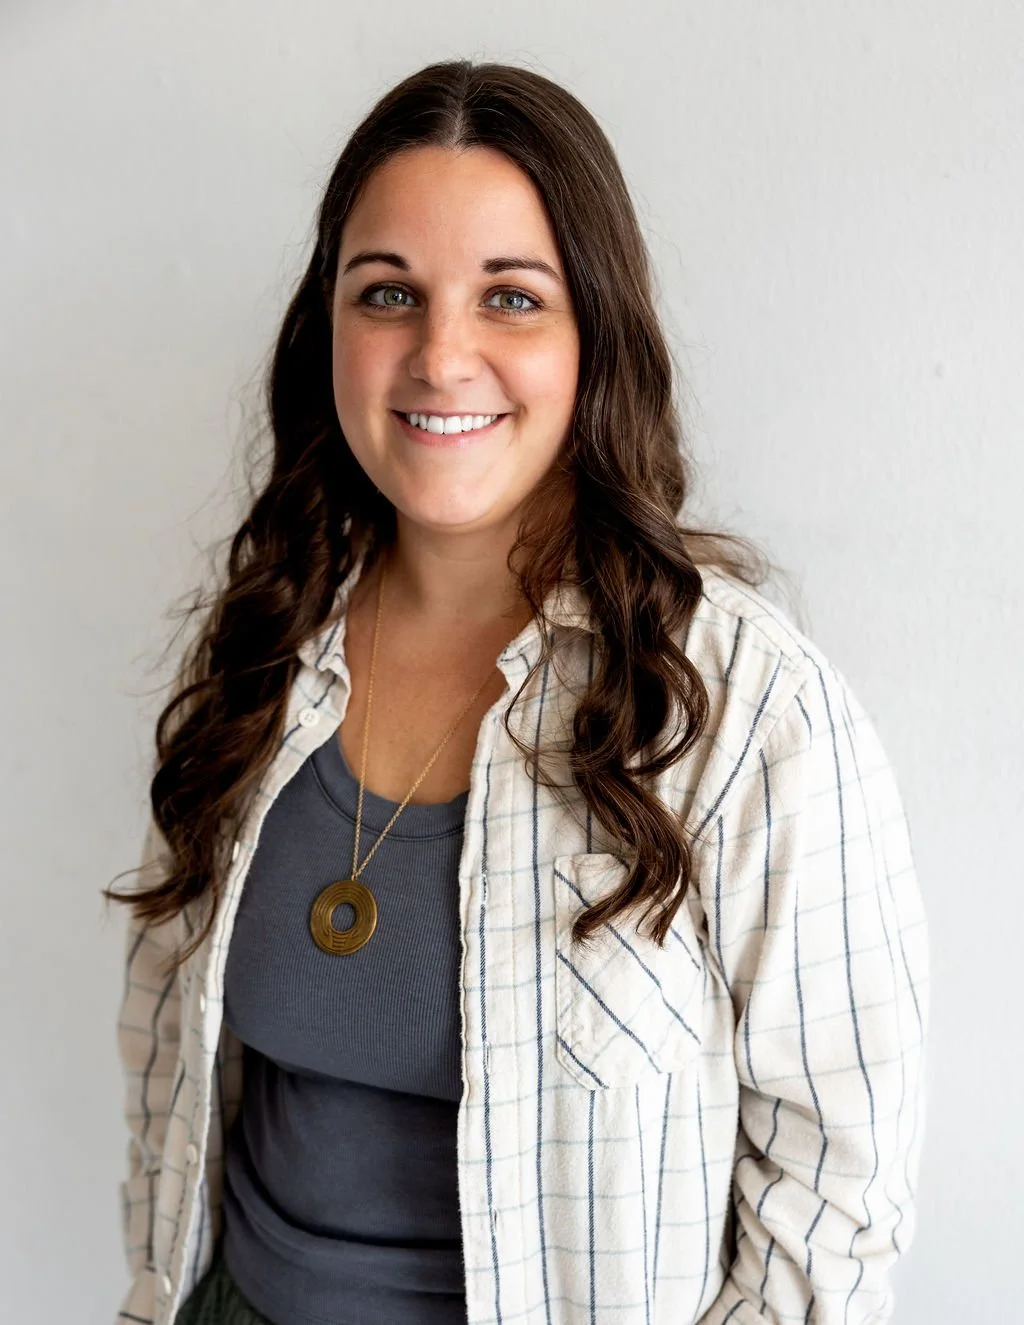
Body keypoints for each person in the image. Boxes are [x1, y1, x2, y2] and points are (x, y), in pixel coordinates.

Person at [106, 59, 929, 1325]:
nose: (442, 355)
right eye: (389, 293)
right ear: (326, 324)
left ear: (594, 332)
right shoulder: (264, 644)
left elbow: (833, 1205)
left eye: (510, 297)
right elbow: (174, 1081)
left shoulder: (748, 712)